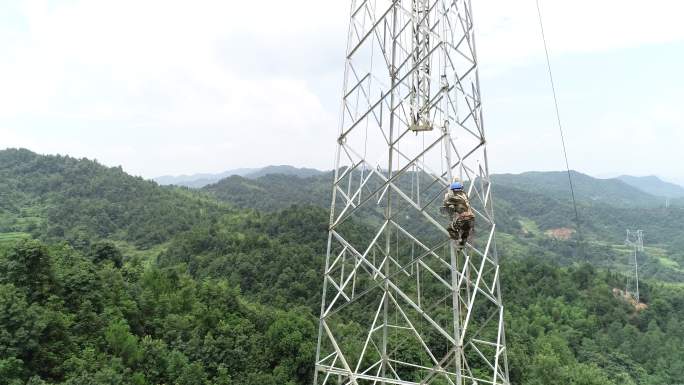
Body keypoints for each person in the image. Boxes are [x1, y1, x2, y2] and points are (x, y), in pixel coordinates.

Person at [442, 179, 475, 248]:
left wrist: (446, 196)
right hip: (471, 218)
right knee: (466, 230)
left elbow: (445, 204)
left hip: (463, 219)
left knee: (450, 228)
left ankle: (456, 238)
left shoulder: (454, 198)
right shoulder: (465, 195)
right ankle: (462, 243)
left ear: (453, 190)